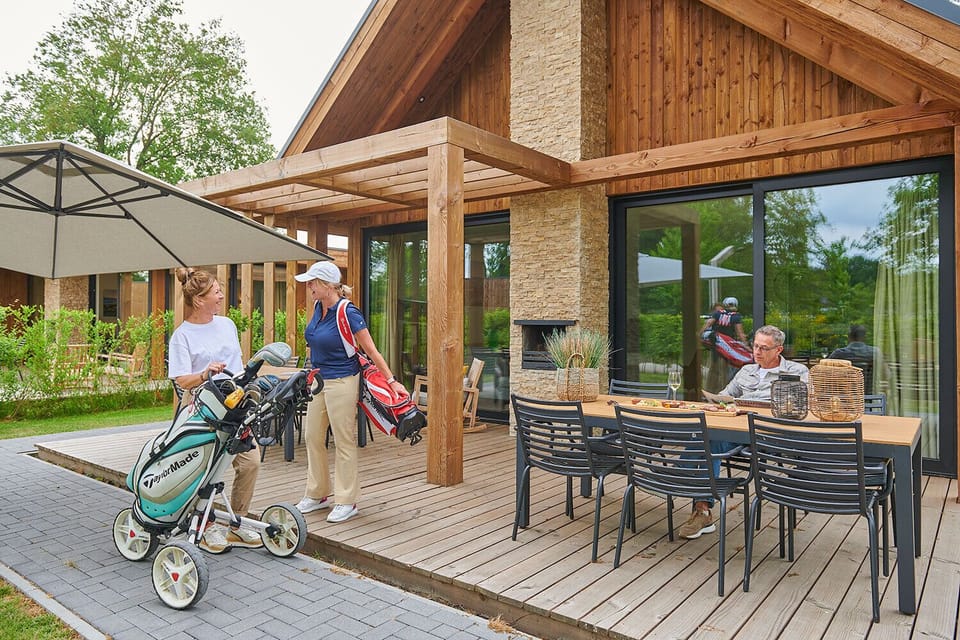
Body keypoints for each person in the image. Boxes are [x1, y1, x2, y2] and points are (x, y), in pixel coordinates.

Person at [294, 261, 405, 523]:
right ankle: (318, 493)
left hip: (343, 381)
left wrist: (392, 381)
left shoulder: (348, 312)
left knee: (343, 440)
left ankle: (346, 501)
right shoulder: (318, 307)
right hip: (318, 380)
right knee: (312, 436)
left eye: (312, 282)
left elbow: (371, 350)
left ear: (327, 285)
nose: (309, 287)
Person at [679, 324, 809, 540]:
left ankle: (677, 476)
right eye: (755, 346)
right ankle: (702, 510)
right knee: (707, 438)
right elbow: (725, 395)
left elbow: (800, 405)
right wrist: (718, 403)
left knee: (708, 440)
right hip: (737, 430)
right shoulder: (746, 371)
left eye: (764, 348)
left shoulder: (797, 372)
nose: (757, 351)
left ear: (778, 349)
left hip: (767, 434)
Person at [167, 268, 262, 553]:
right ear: (199, 300)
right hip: (203, 407)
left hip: (234, 403)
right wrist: (204, 373)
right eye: (216, 292)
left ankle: (237, 523)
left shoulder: (227, 324)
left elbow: (237, 364)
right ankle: (205, 525)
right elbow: (181, 381)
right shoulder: (182, 336)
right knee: (205, 469)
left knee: (250, 462)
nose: (221, 296)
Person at [700, 297, 748, 391]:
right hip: (727, 347)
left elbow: (707, 324)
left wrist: (699, 335)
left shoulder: (718, 313)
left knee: (713, 368)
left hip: (715, 344)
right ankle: (722, 391)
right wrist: (746, 346)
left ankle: (709, 390)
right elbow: (740, 333)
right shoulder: (736, 316)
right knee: (724, 371)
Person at [829, 324, 882, 394]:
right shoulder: (875, 353)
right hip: (869, 397)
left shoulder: (838, 354)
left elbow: (825, 374)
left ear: (849, 337)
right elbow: (887, 375)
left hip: (844, 397)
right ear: (864, 337)